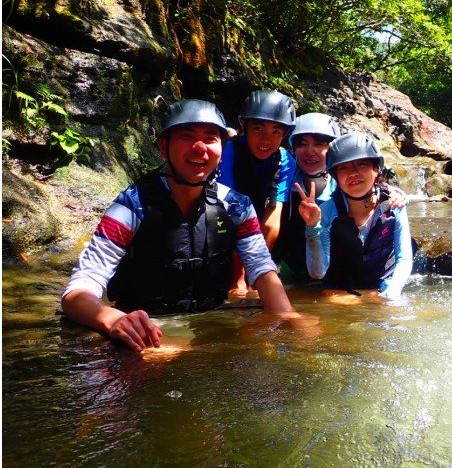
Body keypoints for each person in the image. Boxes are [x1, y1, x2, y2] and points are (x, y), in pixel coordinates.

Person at [61, 100, 298, 352]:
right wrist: (113, 319)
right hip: (147, 328)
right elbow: (79, 289)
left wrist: (288, 317)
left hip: (212, 322)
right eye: (187, 137)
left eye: (210, 138)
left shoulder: (236, 206)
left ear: (221, 149)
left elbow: (262, 269)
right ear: (164, 147)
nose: (199, 148)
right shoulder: (131, 206)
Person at [296, 132, 413, 299]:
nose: (353, 173)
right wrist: (312, 227)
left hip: (383, 284)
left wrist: (393, 291)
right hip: (342, 289)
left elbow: (404, 259)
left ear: (376, 169)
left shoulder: (395, 204)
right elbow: (317, 273)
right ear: (335, 176)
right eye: (344, 167)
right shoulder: (327, 211)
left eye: (361, 164)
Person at [217, 90, 296, 292]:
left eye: (276, 132)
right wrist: (239, 276)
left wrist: (257, 270)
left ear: (284, 134)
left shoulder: (285, 161)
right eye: (258, 128)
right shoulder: (228, 151)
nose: (266, 139)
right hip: (223, 222)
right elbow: (229, 211)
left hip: (255, 224)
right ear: (244, 126)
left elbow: (272, 219)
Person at [273, 112, 340, 283]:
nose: (309, 152)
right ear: (294, 149)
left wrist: (392, 193)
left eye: (319, 144)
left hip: (333, 272)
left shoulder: (343, 183)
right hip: (290, 270)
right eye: (302, 144)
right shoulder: (282, 178)